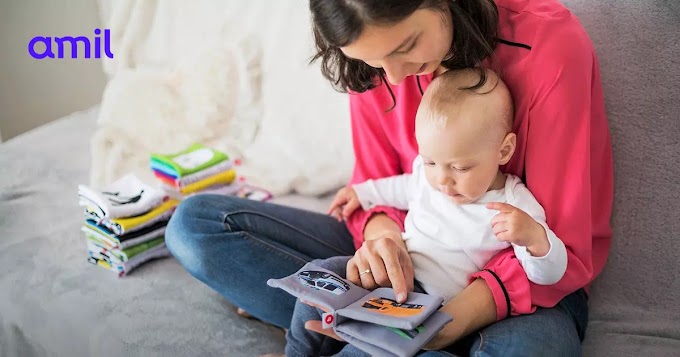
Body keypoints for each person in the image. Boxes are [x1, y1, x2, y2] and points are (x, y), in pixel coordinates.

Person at [165, 0, 613, 355]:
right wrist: (383, 242)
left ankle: (378, 337)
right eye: (374, 61)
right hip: (410, 264)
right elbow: (378, 185)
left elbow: (560, 247)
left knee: (532, 350)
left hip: (527, 287)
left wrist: (451, 319)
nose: (394, 77)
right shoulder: (376, 63)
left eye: (405, 47)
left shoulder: (550, 47)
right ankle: (377, 331)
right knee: (195, 227)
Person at [282, 67, 570, 356]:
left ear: (504, 151)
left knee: (371, 349)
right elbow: (403, 187)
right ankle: (296, 352)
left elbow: (549, 274)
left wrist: (534, 239)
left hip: (432, 306)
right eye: (430, 162)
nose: (442, 180)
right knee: (319, 275)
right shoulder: (430, 175)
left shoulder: (512, 203)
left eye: (460, 167)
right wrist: (363, 192)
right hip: (392, 275)